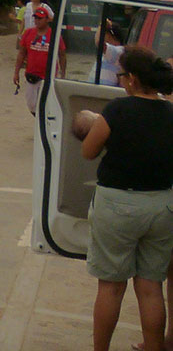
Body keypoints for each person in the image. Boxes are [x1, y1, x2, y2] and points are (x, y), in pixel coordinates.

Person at [74, 46, 173, 351]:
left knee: (112, 288)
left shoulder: (117, 110)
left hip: (117, 205)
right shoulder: (170, 112)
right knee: (150, 288)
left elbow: (88, 151)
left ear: (131, 79)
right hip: (161, 206)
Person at [13, 5, 66, 115]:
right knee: (31, 104)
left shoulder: (54, 35)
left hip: (48, 76)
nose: (37, 21)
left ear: (47, 19)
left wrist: (63, 73)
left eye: (40, 18)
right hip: (32, 74)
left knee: (47, 103)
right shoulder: (28, 33)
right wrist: (16, 72)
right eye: (35, 18)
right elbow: (21, 53)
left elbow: (62, 55)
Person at [96, 20, 125, 86]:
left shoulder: (118, 52)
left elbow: (99, 42)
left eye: (104, 34)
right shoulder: (107, 53)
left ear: (111, 36)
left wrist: (102, 26)